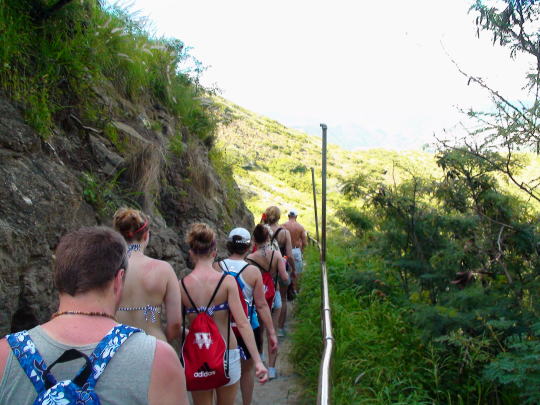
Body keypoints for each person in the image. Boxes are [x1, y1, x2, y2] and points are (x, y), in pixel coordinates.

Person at [0, 226, 188, 405]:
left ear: (57, 278)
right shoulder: (159, 359)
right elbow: (175, 323)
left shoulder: (5, 354)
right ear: (118, 280)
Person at [181, 223, 268, 405]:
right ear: (214, 252)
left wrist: (193, 333)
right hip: (227, 351)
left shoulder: (181, 285)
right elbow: (242, 323)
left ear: (191, 253)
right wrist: (258, 361)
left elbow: (174, 325)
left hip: (198, 352)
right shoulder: (227, 282)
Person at [214, 227, 278, 405]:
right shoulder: (253, 272)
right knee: (247, 371)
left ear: (228, 245)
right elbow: (261, 305)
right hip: (247, 327)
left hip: (222, 327)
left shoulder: (216, 267)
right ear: (249, 247)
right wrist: (272, 332)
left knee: (220, 368)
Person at [113, 208, 182, 343]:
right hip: (154, 344)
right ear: (145, 235)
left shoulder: (107, 268)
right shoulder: (164, 269)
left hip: (117, 345)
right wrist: (163, 342)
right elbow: (175, 323)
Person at [246, 224, 289, 380]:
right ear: (268, 238)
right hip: (274, 295)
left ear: (254, 239)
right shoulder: (276, 255)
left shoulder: (250, 258)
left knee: (260, 329)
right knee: (273, 331)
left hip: (258, 297)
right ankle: (271, 369)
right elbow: (284, 278)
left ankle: (261, 357)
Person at [261, 206, 296, 339]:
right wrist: (293, 270)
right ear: (279, 217)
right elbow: (289, 255)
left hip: (264, 268)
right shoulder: (284, 232)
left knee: (263, 298)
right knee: (283, 298)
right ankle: (280, 329)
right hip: (281, 268)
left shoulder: (262, 230)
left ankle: (264, 328)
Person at [281, 209, 307, 285]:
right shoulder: (300, 227)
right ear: (296, 217)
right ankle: (295, 289)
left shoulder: (283, 226)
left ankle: (286, 288)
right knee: (297, 273)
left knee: (285, 270)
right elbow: (305, 243)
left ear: (288, 216)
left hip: (285, 252)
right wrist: (301, 251)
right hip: (296, 251)